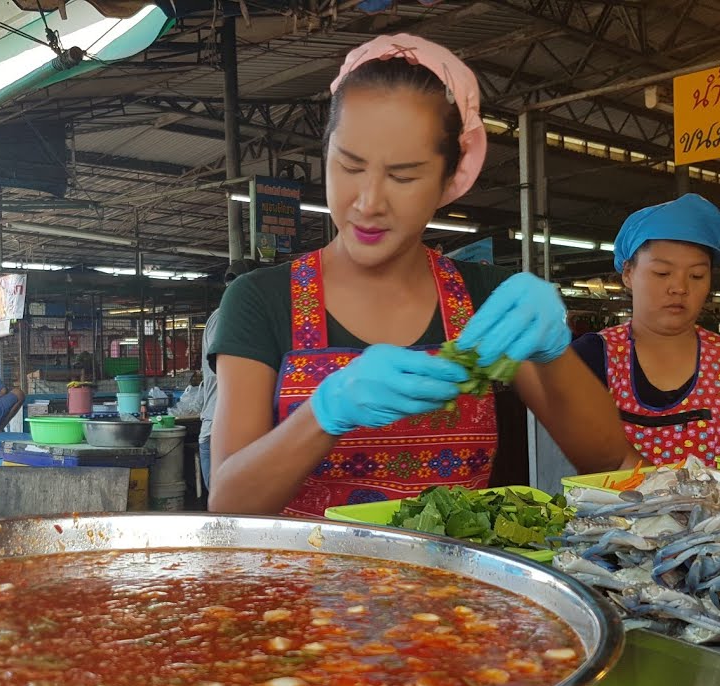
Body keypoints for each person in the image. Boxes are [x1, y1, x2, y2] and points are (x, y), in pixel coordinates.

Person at [207, 35, 636, 517]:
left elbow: (609, 463)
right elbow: (227, 506)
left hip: (457, 588)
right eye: (348, 165)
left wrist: (555, 353)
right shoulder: (261, 300)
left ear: (450, 177)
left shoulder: (483, 298)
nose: (368, 202)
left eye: (404, 177)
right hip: (302, 589)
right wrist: (324, 413)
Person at [571, 194, 720, 466]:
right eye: (662, 273)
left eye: (697, 275)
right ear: (628, 273)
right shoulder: (588, 359)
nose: (680, 288)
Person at [198, 261, 255, 490]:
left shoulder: (247, 317)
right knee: (225, 515)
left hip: (238, 429)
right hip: (219, 430)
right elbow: (228, 365)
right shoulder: (225, 316)